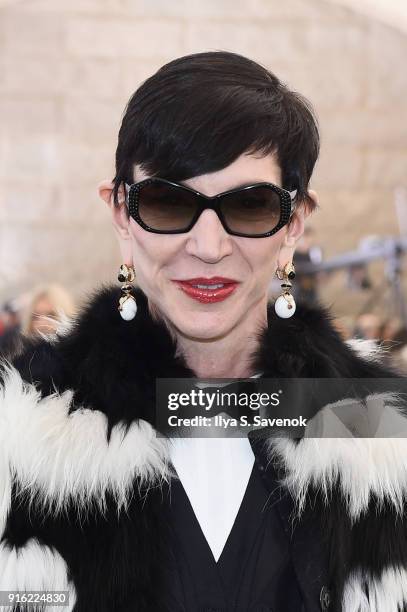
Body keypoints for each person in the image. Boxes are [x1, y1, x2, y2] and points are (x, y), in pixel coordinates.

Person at [0, 51, 406, 612]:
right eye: (168, 202)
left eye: (251, 206)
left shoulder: (384, 439)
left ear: (294, 224)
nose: (209, 248)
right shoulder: (18, 439)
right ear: (121, 213)